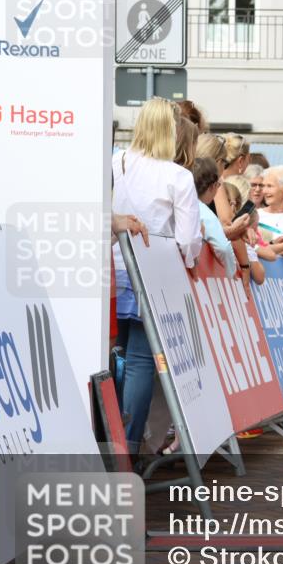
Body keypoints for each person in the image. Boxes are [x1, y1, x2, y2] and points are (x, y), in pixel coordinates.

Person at [112, 97, 202, 456]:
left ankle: (111, 437)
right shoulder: (177, 176)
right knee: (139, 362)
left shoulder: (115, 161)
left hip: (111, 268)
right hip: (152, 275)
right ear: (173, 131)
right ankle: (129, 445)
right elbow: (188, 240)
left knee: (111, 356)